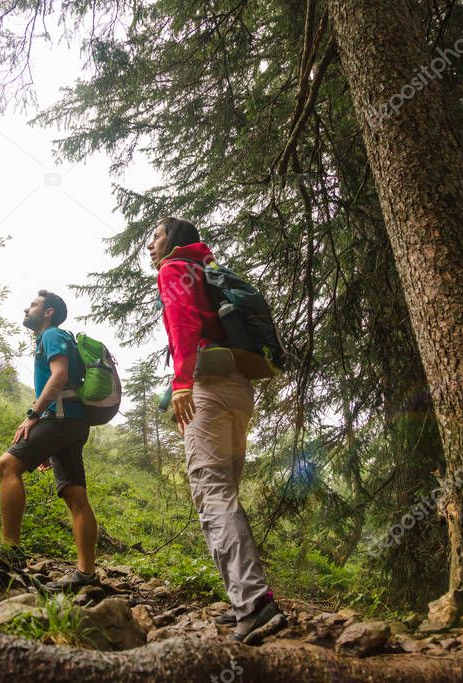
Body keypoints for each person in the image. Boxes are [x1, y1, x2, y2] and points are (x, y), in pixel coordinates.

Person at [147, 217, 284, 643]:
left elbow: (184, 325)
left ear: (175, 239)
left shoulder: (174, 269)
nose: (150, 245)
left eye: (156, 236)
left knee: (211, 492)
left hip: (207, 385)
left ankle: (255, 602)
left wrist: (182, 383)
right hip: (240, 390)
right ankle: (247, 597)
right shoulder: (206, 269)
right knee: (225, 492)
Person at [0, 290, 99, 591]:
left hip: (61, 418)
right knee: (75, 496)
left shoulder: (51, 335)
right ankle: (86, 574)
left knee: (8, 465)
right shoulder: (60, 336)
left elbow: (59, 376)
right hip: (74, 422)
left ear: (49, 312)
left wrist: (33, 415)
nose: (25, 309)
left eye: (33, 305)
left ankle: (10, 552)